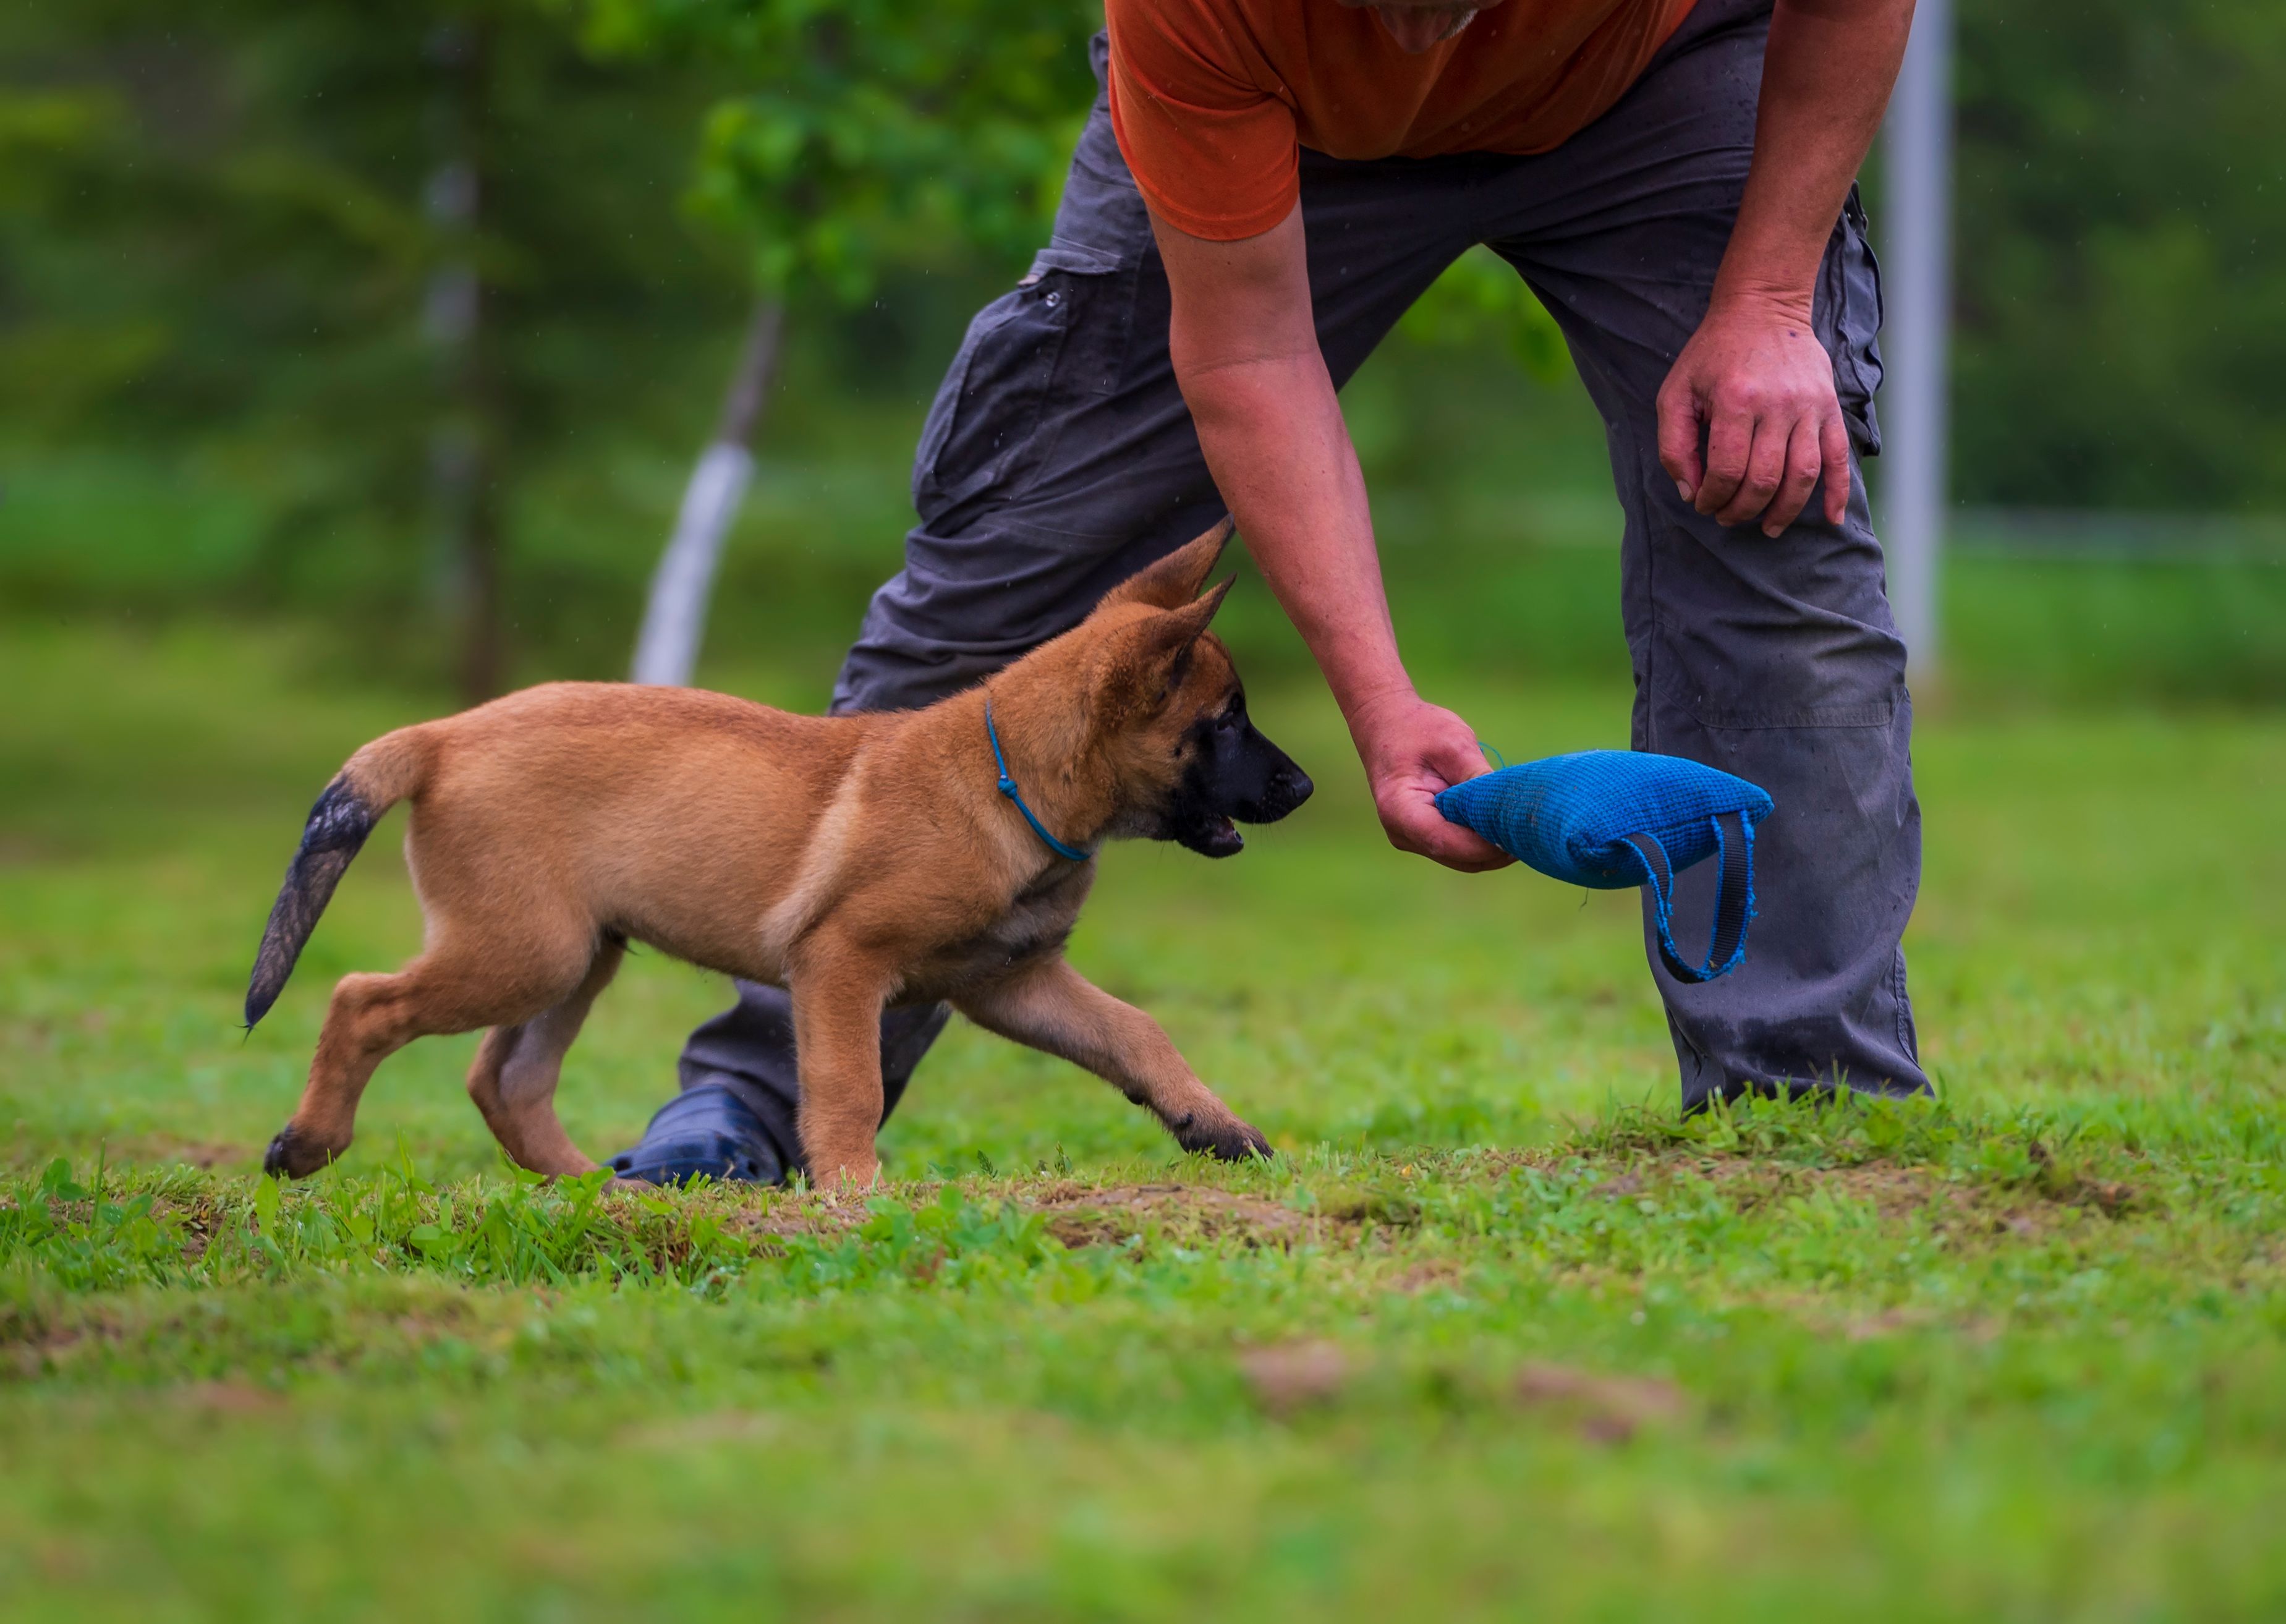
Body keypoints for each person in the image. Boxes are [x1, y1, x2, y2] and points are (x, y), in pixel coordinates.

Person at [611, 0, 1931, 1186]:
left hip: (1666, 83)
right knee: (1017, 561)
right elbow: (1247, 351)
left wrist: (1768, 303)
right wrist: (1380, 706)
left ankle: (1805, 1110)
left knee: (1771, 497)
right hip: (1269, 116)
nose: (1421, 40)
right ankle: (759, 1109)